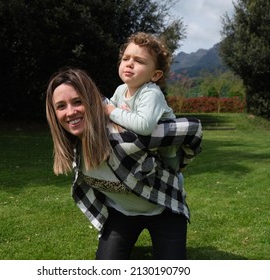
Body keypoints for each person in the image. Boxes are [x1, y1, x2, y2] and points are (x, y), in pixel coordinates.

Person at [46, 68, 202, 260]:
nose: (70, 112)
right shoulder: (73, 147)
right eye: (61, 106)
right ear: (53, 113)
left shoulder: (125, 138)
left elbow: (192, 130)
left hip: (164, 208)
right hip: (121, 213)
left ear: (92, 101)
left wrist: (179, 163)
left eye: (78, 102)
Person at [105, 32, 184, 173]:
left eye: (139, 61)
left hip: (164, 148)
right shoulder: (120, 90)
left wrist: (111, 111)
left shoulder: (151, 93)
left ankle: (176, 184)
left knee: (171, 175)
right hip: (143, 148)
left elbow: (144, 126)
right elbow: (108, 108)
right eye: (125, 58)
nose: (129, 64)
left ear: (155, 75)